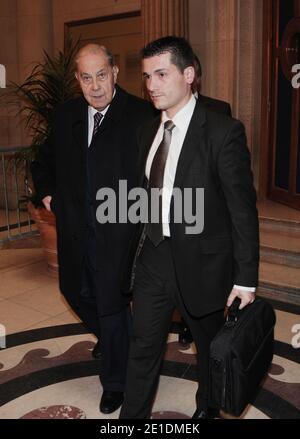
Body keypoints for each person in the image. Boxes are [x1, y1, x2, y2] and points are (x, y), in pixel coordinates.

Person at [119, 36, 259, 419]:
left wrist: (245, 279)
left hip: (205, 265)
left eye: (161, 74)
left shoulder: (222, 132)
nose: (151, 85)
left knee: (209, 350)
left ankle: (207, 411)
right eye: (147, 76)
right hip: (154, 258)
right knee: (143, 345)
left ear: (189, 75)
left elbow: (242, 212)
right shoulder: (146, 132)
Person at [31, 43, 155, 414]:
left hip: (118, 232)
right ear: (78, 80)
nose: (96, 86)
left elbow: (155, 177)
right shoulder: (66, 114)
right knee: (73, 290)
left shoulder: (140, 115)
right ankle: (115, 340)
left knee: (112, 304)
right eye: (87, 78)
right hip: (75, 230)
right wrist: (48, 191)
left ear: (115, 73)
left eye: (102, 75)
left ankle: (116, 382)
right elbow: (44, 161)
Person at [178, 53, 232, 348]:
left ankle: (197, 324)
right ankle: (187, 321)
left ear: (193, 75)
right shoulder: (157, 113)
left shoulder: (219, 110)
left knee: (202, 279)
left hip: (207, 208)